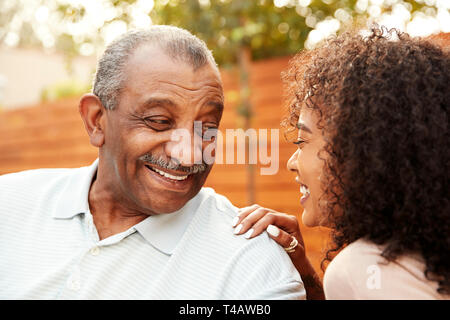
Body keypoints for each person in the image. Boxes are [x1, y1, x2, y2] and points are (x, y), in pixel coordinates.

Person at [0, 26, 305, 299]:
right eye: (159, 121)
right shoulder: (9, 204)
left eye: (207, 128)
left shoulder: (251, 263)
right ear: (96, 121)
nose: (189, 155)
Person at [232, 27, 450, 300]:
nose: (291, 162)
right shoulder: (426, 257)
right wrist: (306, 274)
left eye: (302, 142)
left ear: (363, 153)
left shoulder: (360, 270)